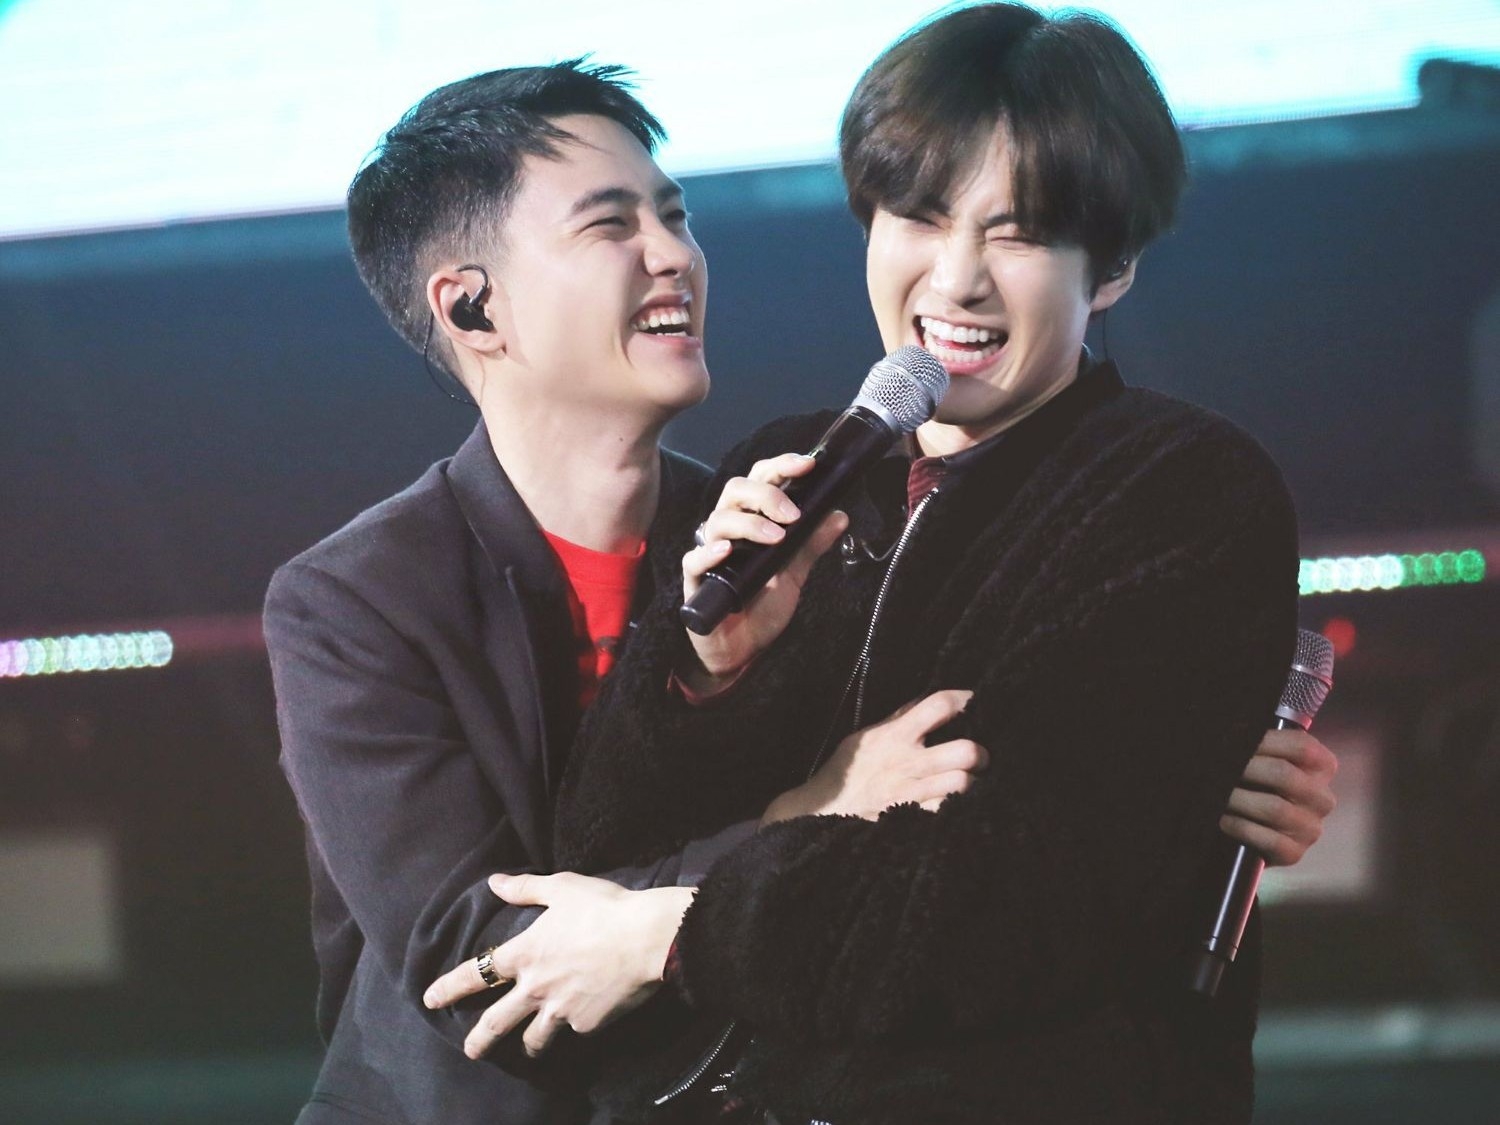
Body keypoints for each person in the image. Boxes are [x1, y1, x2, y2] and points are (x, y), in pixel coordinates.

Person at [425, 6, 1338, 1123]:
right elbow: (604, 853)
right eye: (919, 216)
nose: (956, 281)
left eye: (1018, 234)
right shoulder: (783, 471)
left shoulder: (1179, 489)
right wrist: (707, 673)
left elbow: (1018, 905)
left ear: (1111, 269)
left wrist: (671, 933)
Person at [264, 62, 976, 1125]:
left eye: (674, 216)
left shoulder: (773, 538)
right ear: (473, 306)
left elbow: (904, 836)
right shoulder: (354, 601)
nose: (673, 254)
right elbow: (486, 972)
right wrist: (803, 816)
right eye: (610, 225)